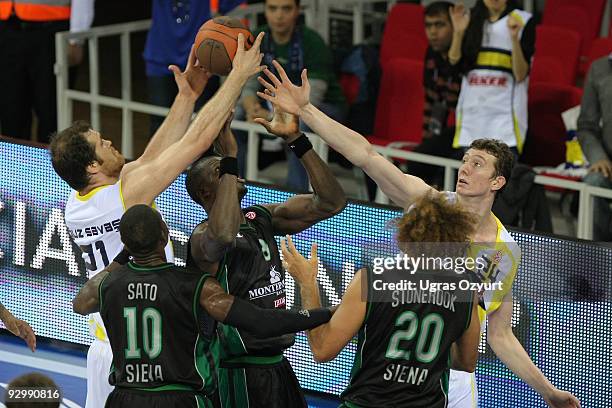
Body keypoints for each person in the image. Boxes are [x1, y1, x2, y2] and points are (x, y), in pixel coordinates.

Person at [256, 62, 581, 407]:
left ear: (498, 182)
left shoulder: (505, 252)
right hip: (388, 365)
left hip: (450, 379)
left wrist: (548, 392)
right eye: (465, 160)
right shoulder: (428, 204)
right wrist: (306, 110)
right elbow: (365, 154)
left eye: (478, 164)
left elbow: (500, 336)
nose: (465, 169)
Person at [50, 33, 265, 408]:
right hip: (139, 352)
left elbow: (149, 159)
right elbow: (194, 144)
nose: (112, 143)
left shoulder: (78, 201)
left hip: (106, 345)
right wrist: (236, 77)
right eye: (103, 144)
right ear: (92, 166)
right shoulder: (124, 194)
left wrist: (186, 97)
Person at [72, 205, 334, 408]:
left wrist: (123, 255)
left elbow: (80, 303)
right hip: (181, 400)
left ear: (126, 244)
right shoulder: (195, 286)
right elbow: (261, 321)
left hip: (125, 398)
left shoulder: (108, 286)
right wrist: (322, 314)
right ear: (165, 236)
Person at [184, 105, 346, 407]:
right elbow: (223, 234)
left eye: (231, 166)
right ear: (206, 193)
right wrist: (230, 154)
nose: (234, 171)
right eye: (222, 172)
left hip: (278, 365)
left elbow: (332, 202)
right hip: (238, 372)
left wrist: (296, 139)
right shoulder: (201, 239)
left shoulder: (261, 216)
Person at [281, 193, 482, 407]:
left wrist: (307, 282)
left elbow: (322, 349)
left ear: (406, 238)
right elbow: (467, 362)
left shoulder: (372, 280)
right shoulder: (466, 291)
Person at [235, 0, 347, 191]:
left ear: (297, 11)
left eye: (286, 8)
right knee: (235, 115)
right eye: (273, 8)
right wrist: (251, 106)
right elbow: (249, 82)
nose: (279, 15)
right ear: (266, 11)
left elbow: (314, 96)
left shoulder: (312, 41)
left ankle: (296, 193)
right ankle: (238, 184)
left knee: (300, 125)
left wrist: (278, 114)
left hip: (323, 107)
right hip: (273, 103)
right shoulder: (257, 38)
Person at [448, 0, 535, 156]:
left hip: (505, 123)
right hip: (471, 120)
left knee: (499, 177)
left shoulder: (522, 19)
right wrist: (458, 33)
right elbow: (454, 65)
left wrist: (514, 38)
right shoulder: (470, 18)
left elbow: (520, 74)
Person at [144, 0, 245, 134]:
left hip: (201, 60)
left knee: (200, 126)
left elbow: (236, 9)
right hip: (161, 57)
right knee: (159, 123)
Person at [0, 0, 93, 143]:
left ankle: (50, 164)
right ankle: (14, 163)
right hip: (7, 29)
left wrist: (76, 38)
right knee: (11, 112)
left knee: (51, 114)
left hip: (51, 30)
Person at [405, 1, 464, 187]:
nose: (433, 32)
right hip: (449, 133)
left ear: (455, 26)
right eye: (428, 26)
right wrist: (428, 144)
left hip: (471, 131)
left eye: (439, 25)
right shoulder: (432, 54)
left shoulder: (468, 54)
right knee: (419, 161)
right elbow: (432, 103)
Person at [577, 54, 612, 242]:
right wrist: (598, 157)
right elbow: (586, 126)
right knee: (593, 182)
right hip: (608, 164)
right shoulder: (599, 68)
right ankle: (596, 257)